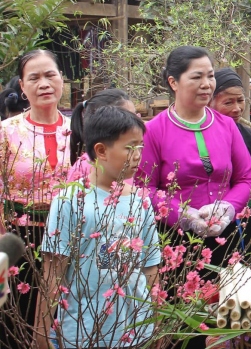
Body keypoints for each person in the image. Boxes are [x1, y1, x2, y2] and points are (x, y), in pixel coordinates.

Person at [36, 106, 160, 349]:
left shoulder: (140, 201)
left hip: (136, 330)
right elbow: (53, 273)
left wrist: (158, 320)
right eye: (130, 147)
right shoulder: (69, 202)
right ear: (101, 150)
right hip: (83, 332)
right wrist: (41, 332)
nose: (138, 156)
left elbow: (150, 268)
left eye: (140, 148)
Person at [136, 47, 251, 264]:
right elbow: (144, 188)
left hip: (225, 236)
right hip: (174, 240)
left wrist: (226, 208)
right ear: (174, 82)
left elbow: (247, 179)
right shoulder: (154, 130)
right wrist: (184, 215)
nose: (207, 84)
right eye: (197, 77)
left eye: (210, 76)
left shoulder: (227, 125)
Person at [0, 50, 71, 347]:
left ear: (62, 79)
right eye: (35, 78)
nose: (44, 83)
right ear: (22, 87)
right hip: (22, 239)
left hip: (73, 238)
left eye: (50, 75)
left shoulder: (79, 129)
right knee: (20, 321)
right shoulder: (6, 132)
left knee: (68, 318)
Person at [210, 68, 251, 271]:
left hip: (250, 225)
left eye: (240, 100)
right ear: (209, 103)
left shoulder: (249, 137)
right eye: (228, 102)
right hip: (215, 228)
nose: (237, 108)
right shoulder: (204, 138)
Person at [67, 88, 137, 182]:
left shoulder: (126, 161)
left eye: (135, 117)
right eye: (128, 119)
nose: (135, 124)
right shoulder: (84, 167)